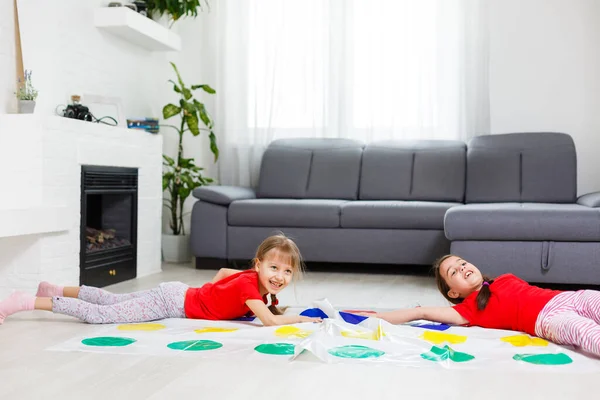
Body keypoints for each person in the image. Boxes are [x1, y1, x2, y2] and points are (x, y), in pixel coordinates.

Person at [0, 234, 321, 327]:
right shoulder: (252, 288)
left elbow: (223, 274)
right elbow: (268, 322)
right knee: (103, 316)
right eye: (274, 268)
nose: (280, 276)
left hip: (179, 294)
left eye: (287, 271)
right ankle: (24, 302)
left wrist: (207, 296)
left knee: (114, 300)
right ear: (259, 265)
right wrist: (305, 319)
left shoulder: (251, 281)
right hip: (174, 302)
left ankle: (54, 289)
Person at [358, 254, 600, 357]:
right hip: (547, 322)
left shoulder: (505, 278)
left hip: (567, 298)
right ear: (453, 291)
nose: (463, 268)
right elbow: (418, 312)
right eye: (454, 271)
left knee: (594, 298)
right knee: (585, 331)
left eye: (462, 263)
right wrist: (376, 316)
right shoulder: (467, 310)